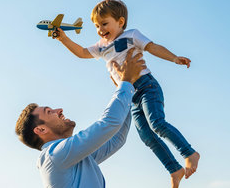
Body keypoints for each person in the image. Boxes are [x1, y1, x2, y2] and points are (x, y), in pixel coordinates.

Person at [54, 0, 200, 187]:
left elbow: (153, 47)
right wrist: (63, 38)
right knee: (147, 137)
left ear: (120, 22)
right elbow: (82, 52)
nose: (100, 30)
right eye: (97, 26)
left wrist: (174, 58)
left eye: (104, 24)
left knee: (157, 124)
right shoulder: (101, 46)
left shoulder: (131, 35)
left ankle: (189, 153)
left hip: (147, 86)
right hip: (132, 96)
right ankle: (174, 169)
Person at [15, 48, 146, 188]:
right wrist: (125, 82)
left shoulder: (72, 157)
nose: (59, 110)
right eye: (49, 111)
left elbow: (116, 139)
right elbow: (108, 124)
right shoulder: (55, 156)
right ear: (41, 129)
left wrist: (128, 89)